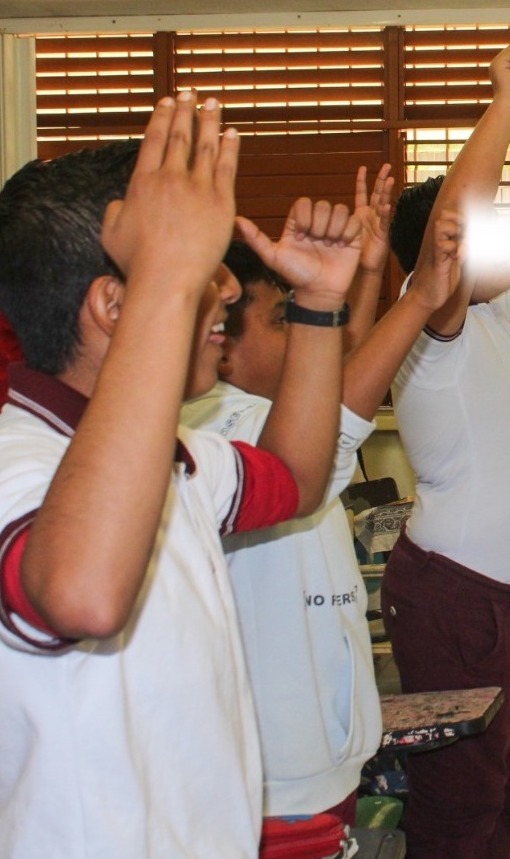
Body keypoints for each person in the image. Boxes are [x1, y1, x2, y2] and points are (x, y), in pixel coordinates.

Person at [0, 92, 358, 857]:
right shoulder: (16, 467)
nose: (228, 288)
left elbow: (296, 474)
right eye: (202, 267)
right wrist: (167, 280)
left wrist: (320, 304)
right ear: (113, 303)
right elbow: (83, 595)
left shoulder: (180, 456)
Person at [179, 168, 464, 849]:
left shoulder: (265, 412)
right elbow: (339, 409)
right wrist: (418, 295)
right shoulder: (222, 429)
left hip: (319, 756)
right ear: (222, 344)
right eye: (285, 319)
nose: (307, 333)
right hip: (276, 771)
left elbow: (334, 370)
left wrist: (361, 279)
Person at [380, 45, 510, 859]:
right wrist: (503, 105)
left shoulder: (490, 321)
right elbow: (452, 230)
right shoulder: (430, 328)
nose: (504, 241)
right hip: (464, 601)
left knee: (505, 785)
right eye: (477, 232)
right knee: (462, 803)